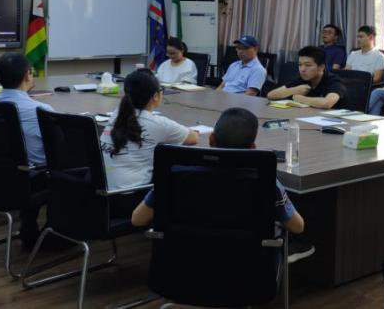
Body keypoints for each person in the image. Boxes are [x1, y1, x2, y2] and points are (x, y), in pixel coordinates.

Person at [131, 107, 312, 261]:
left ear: (211, 139)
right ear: (252, 148)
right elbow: (297, 226)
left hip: (184, 266)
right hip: (248, 270)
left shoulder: (176, 173)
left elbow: (138, 219)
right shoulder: (266, 182)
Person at [0, 52, 54, 250]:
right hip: (30, 180)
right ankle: (57, 232)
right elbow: (58, 149)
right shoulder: (41, 110)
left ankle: (31, 227)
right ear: (27, 75)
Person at [101, 70, 199, 192]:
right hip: (131, 195)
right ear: (155, 96)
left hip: (102, 191)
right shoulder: (158, 124)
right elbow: (193, 138)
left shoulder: (117, 114)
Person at [267, 46, 347, 110]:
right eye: (300, 65)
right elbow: (271, 95)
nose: (302, 69)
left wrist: (298, 98)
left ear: (321, 67)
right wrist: (294, 90)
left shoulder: (334, 81)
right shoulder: (303, 79)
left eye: (308, 65)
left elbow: (327, 103)